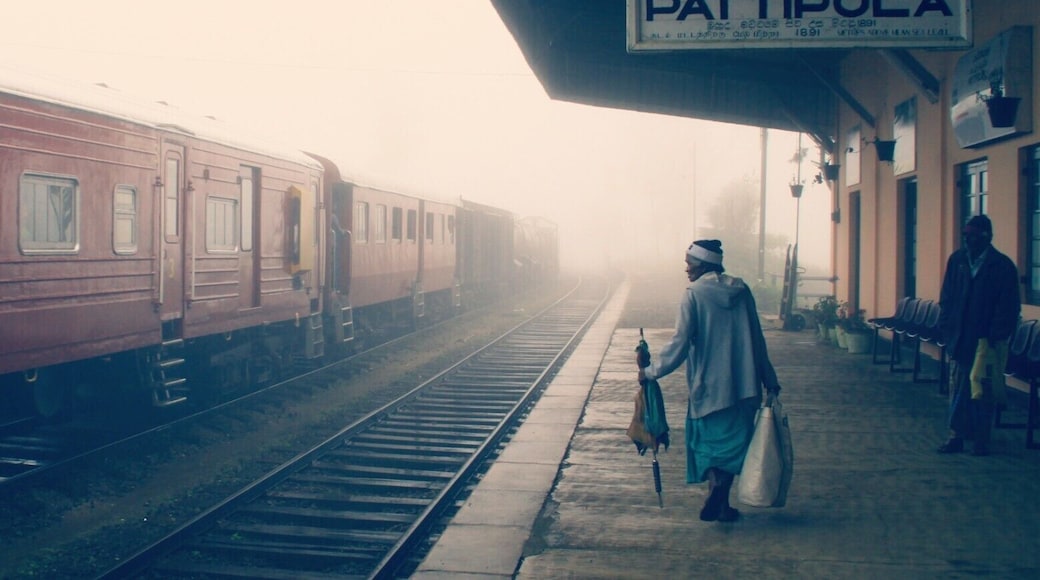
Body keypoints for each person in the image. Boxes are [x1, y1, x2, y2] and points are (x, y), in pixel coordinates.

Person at [637, 239, 781, 522]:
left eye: (689, 264)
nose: (686, 269)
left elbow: (679, 343)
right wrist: (769, 377)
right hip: (745, 386)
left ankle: (716, 491)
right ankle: (723, 502)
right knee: (734, 445)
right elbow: (757, 337)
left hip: (709, 387)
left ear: (702, 265)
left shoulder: (693, 294)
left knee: (710, 446)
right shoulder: (742, 291)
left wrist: (650, 371)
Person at [937, 214, 1020, 456]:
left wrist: (996, 335)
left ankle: (981, 439)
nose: (969, 241)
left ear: (987, 237)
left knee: (983, 391)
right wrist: (947, 326)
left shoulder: (1002, 266)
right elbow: (947, 297)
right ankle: (956, 436)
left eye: (974, 236)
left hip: (987, 341)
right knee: (958, 388)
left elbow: (1009, 306)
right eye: (966, 236)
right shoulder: (957, 261)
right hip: (959, 337)